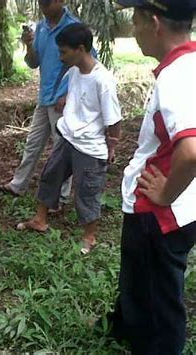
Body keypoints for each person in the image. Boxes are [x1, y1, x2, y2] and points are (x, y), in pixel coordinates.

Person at [107, 1, 196, 353]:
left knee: (160, 305)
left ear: (154, 23)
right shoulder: (186, 65)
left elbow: (190, 151)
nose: (134, 28)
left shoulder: (177, 76)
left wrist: (165, 194)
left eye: (135, 19)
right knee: (141, 280)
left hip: (160, 214)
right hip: (177, 208)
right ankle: (124, 326)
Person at [16, 23, 122, 254]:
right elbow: (77, 94)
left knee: (87, 191)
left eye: (64, 52)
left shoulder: (102, 80)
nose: (61, 57)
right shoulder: (74, 71)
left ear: (81, 49)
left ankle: (89, 236)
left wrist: (111, 148)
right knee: (50, 176)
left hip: (90, 147)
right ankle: (40, 220)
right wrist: (64, 98)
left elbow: (114, 121)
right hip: (68, 137)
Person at [0, 0, 79, 201]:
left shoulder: (73, 27)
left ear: (60, 1)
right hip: (44, 97)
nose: (44, 8)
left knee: (61, 147)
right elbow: (33, 63)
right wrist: (29, 44)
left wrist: (67, 93)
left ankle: (62, 194)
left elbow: (84, 63)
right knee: (33, 143)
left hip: (61, 98)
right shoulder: (41, 27)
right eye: (41, 3)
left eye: (48, 3)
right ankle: (18, 185)